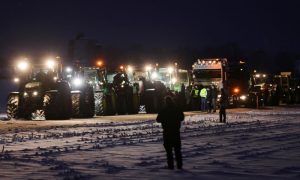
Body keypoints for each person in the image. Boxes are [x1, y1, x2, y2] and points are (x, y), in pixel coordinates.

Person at [156, 96, 184, 170]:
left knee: (169, 151)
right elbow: (182, 118)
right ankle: (179, 165)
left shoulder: (163, 110)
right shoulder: (177, 109)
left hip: (167, 132)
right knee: (177, 150)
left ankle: (170, 166)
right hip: (175, 132)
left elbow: (158, 119)